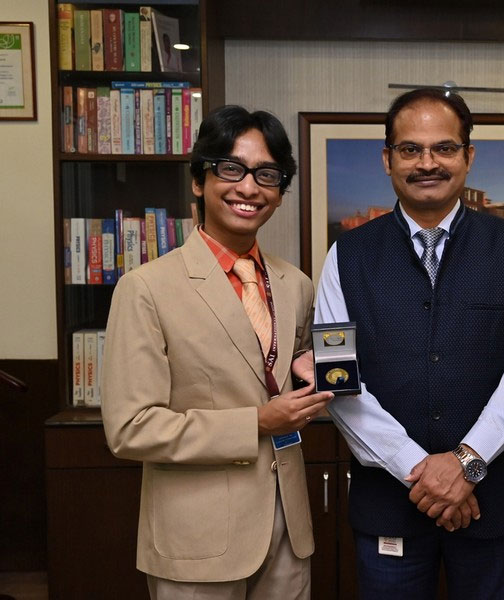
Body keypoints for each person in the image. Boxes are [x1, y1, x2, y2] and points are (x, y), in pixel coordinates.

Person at [315, 88, 504, 600]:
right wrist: (420, 471)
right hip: (389, 506)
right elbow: (339, 378)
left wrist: (466, 463)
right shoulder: (346, 255)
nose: (427, 163)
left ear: (468, 157)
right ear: (387, 159)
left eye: (444, 148)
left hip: (494, 504)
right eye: (410, 149)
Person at [101, 105, 333, 599]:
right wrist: (257, 423)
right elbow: (130, 428)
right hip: (198, 538)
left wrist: (308, 370)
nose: (249, 188)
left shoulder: (294, 284)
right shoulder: (146, 288)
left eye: (267, 175)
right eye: (231, 169)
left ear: (280, 192)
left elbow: (276, 373)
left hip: (289, 531)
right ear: (198, 180)